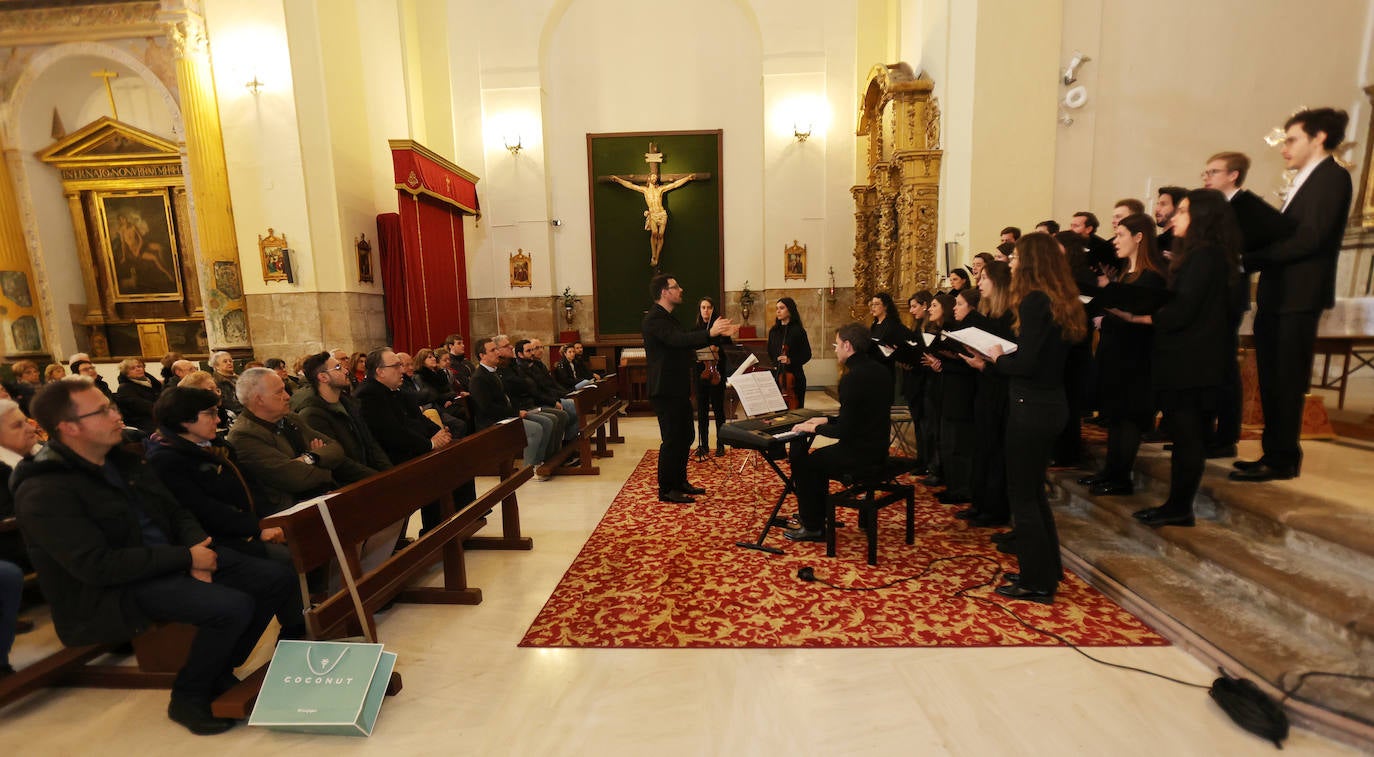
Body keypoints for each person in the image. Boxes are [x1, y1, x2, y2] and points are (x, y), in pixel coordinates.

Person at [13, 378, 305, 734]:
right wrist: (186, 559)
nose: (116, 415)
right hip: (115, 587)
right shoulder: (44, 489)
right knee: (231, 606)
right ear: (69, 428)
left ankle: (219, 669)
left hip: (169, 558)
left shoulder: (121, 459)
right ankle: (189, 696)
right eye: (102, 410)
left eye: (111, 405)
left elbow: (176, 510)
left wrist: (198, 549)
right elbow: (97, 566)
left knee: (276, 578)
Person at [1234, 108, 1353, 482]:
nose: (1284, 147)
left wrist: (1248, 258)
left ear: (1318, 138)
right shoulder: (1305, 178)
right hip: (1281, 293)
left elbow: (1310, 238)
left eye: (1292, 139)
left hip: (1299, 295)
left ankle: (1283, 458)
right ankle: (1273, 452)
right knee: (1272, 377)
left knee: (1286, 378)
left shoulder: (1332, 178)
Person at [1123, 190, 1238, 525]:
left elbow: (1185, 309)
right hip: (1197, 360)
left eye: (1184, 211)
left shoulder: (1204, 256)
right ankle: (1178, 505)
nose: (1175, 217)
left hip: (1192, 362)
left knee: (1188, 437)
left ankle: (1178, 507)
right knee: (1189, 436)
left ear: (1202, 217)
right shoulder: (1211, 255)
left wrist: (1144, 317)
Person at [985, 232, 1088, 604]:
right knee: (1035, 494)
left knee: (1023, 496)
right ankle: (1046, 571)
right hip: (1052, 404)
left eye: (1015, 257)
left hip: (1030, 407)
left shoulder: (1032, 302)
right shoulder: (1061, 299)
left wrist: (997, 357)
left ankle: (1036, 582)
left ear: (1030, 261)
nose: (1010, 262)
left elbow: (1026, 364)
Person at [1200, 150, 1293, 458]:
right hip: (1212, 293)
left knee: (1225, 366)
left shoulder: (1249, 206)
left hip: (1229, 295)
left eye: (1213, 172)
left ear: (1233, 175)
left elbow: (1281, 241)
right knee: (1210, 364)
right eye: (1206, 172)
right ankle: (1205, 432)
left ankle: (1225, 437)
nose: (1206, 177)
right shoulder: (1216, 208)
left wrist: (1243, 262)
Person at [1080, 213, 1167, 496]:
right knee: (1115, 416)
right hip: (1116, 350)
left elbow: (1146, 317)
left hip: (1136, 356)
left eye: (1120, 235)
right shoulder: (1128, 274)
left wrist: (1114, 308)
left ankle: (1121, 477)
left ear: (1139, 237)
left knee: (1128, 417)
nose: (1115, 241)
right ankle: (1109, 471)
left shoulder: (1152, 276)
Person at [147, 388, 287, 563]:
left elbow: (250, 485)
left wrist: (268, 519)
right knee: (288, 559)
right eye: (210, 414)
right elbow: (205, 510)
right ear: (185, 419)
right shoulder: (166, 459)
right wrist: (257, 528)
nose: (218, 420)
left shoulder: (217, 447)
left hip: (248, 524)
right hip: (219, 539)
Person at [783, 323, 893, 542]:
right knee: (817, 460)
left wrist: (814, 427)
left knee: (806, 464)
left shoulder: (852, 378)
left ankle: (813, 525)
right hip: (878, 447)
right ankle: (817, 515)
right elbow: (862, 416)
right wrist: (826, 418)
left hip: (859, 454)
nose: (835, 350)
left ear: (847, 345)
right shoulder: (881, 370)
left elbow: (843, 431)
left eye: (836, 344)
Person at [642, 274, 736, 503]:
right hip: (664, 389)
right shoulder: (654, 319)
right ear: (664, 292)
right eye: (676, 286)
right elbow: (677, 341)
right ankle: (666, 488)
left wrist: (717, 337)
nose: (681, 289)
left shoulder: (670, 318)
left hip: (678, 387)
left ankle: (680, 481)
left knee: (686, 435)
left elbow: (685, 340)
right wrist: (710, 333)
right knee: (673, 439)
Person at [226, 368, 372, 516]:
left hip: (321, 498)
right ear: (259, 399)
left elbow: (336, 449)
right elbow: (294, 478)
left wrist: (310, 458)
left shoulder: (290, 418)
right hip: (290, 513)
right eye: (279, 392)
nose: (287, 396)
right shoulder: (244, 436)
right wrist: (325, 463)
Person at [355, 348, 457, 531]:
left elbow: (417, 419)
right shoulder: (369, 394)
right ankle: (436, 533)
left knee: (456, 459)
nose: (401, 370)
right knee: (437, 471)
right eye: (396, 366)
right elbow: (393, 433)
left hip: (410, 449)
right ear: (380, 371)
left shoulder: (394, 390)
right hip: (392, 459)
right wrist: (431, 443)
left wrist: (439, 431)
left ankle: (455, 524)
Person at [957, 260, 1014, 527]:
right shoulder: (989, 316)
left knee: (995, 452)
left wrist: (984, 363)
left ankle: (993, 508)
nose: (978, 282)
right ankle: (979, 503)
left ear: (999, 282)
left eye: (984, 278)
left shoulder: (1010, 317)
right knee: (982, 448)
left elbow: (1011, 360)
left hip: (1001, 391)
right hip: (986, 386)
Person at [293, 352, 392, 473]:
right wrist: (375, 477)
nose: (346, 371)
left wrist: (388, 471)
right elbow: (339, 461)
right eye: (338, 368)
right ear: (323, 377)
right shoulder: (313, 415)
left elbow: (370, 443)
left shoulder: (350, 403)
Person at [468, 336, 553, 473]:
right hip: (493, 422)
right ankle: (529, 469)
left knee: (547, 422)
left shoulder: (494, 372)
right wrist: (515, 413)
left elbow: (506, 399)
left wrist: (518, 410)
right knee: (535, 429)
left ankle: (542, 461)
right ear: (482, 355)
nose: (497, 353)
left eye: (496, 349)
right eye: (493, 350)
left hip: (507, 415)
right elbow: (487, 408)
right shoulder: (478, 378)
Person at [0, 398, 41, 572]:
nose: (31, 428)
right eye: (18, 426)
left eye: (26, 422)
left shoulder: (46, 453)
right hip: (21, 545)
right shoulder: (3, 471)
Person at [692, 297, 733, 459]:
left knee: (718, 410)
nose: (706, 310)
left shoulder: (720, 329)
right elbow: (691, 349)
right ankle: (703, 444)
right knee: (701, 411)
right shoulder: (695, 329)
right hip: (701, 374)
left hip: (717, 374)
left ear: (713, 309)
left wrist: (719, 346)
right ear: (700, 309)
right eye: (703, 307)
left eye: (709, 307)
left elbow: (728, 349)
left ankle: (721, 444)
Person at [767, 297, 811, 408]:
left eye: (782, 308)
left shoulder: (798, 331)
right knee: (778, 414)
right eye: (777, 308)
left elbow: (807, 354)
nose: (778, 311)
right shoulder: (773, 331)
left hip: (795, 378)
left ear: (790, 310)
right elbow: (770, 353)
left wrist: (790, 360)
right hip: (777, 377)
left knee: (796, 412)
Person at [113, 358, 163, 433]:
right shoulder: (125, 388)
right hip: (140, 422)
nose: (138, 369)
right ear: (127, 373)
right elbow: (142, 407)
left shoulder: (151, 383)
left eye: (139, 366)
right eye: (132, 368)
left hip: (156, 416)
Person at [1155, 186, 1186, 254]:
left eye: (1163, 204)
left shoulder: (1182, 242)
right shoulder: (1157, 241)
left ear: (1178, 207)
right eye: (1157, 204)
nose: (1157, 209)